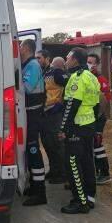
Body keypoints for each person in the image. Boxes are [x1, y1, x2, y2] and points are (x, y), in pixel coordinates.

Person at [58, 47, 100, 214]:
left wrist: (63, 128)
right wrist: (94, 126)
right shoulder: (91, 76)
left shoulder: (76, 78)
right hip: (88, 125)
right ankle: (89, 198)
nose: (66, 61)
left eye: (67, 58)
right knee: (88, 163)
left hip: (76, 127)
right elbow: (96, 105)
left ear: (75, 60)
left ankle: (80, 202)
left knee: (73, 165)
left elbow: (71, 105)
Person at [20, 40, 47, 206]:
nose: (19, 49)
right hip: (28, 113)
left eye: (21, 46)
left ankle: (40, 192)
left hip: (34, 113)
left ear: (27, 48)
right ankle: (35, 186)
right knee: (30, 151)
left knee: (33, 149)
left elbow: (27, 88)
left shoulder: (33, 66)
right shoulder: (27, 65)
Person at [37, 50, 69, 184]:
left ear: (47, 58)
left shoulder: (56, 72)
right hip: (45, 113)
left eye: (39, 58)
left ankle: (63, 174)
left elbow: (69, 87)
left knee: (57, 144)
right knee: (47, 144)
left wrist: (61, 103)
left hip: (55, 113)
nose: (37, 60)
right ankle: (53, 170)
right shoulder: (42, 73)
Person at [87, 53, 112, 185]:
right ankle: (96, 170)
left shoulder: (100, 79)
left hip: (98, 117)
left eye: (91, 62)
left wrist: (97, 117)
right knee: (91, 145)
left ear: (96, 64)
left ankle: (104, 173)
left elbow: (105, 100)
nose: (89, 64)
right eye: (87, 61)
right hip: (89, 116)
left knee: (97, 144)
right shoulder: (87, 77)